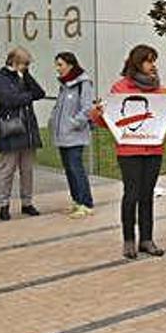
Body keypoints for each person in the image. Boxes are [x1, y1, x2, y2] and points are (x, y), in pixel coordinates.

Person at [93, 45, 166, 260]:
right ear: (137, 63)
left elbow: (164, 119)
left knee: (148, 194)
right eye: (148, 61)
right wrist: (98, 113)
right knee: (132, 193)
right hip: (129, 150)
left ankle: (147, 239)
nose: (153, 65)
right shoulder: (120, 89)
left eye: (154, 60)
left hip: (153, 149)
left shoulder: (159, 90)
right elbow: (105, 120)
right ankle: (129, 239)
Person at [0, 47, 45, 221]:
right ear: (14, 62)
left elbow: (40, 93)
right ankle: (4, 205)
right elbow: (7, 100)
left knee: (27, 170)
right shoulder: (0, 77)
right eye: (25, 63)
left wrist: (27, 76)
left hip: (28, 131)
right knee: (7, 170)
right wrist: (27, 97)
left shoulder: (23, 77)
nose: (27, 66)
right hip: (12, 130)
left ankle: (27, 203)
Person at [49, 52, 96, 219]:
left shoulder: (83, 83)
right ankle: (77, 201)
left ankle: (86, 203)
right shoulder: (65, 85)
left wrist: (73, 123)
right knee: (69, 170)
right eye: (57, 65)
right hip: (62, 135)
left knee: (77, 169)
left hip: (75, 136)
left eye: (60, 64)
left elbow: (87, 109)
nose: (58, 68)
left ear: (70, 65)